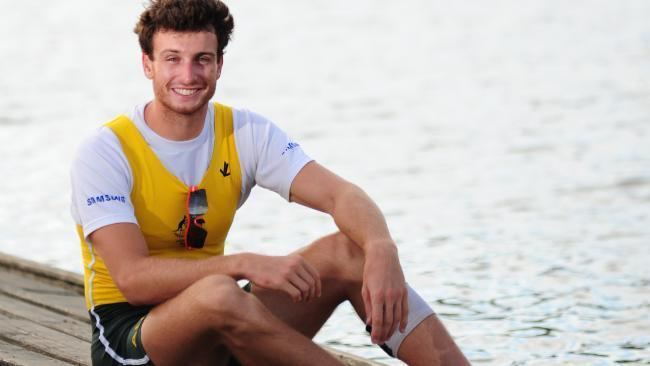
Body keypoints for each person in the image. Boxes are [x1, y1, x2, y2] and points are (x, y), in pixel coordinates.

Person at [70, 0, 470, 365]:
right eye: (172, 59)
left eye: (202, 59)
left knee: (349, 251)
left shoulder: (245, 131)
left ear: (219, 65)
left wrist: (383, 249)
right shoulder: (106, 152)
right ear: (148, 64)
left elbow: (341, 194)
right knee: (219, 292)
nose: (188, 75)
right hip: (131, 341)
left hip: (222, 323)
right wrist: (244, 264)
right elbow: (134, 281)